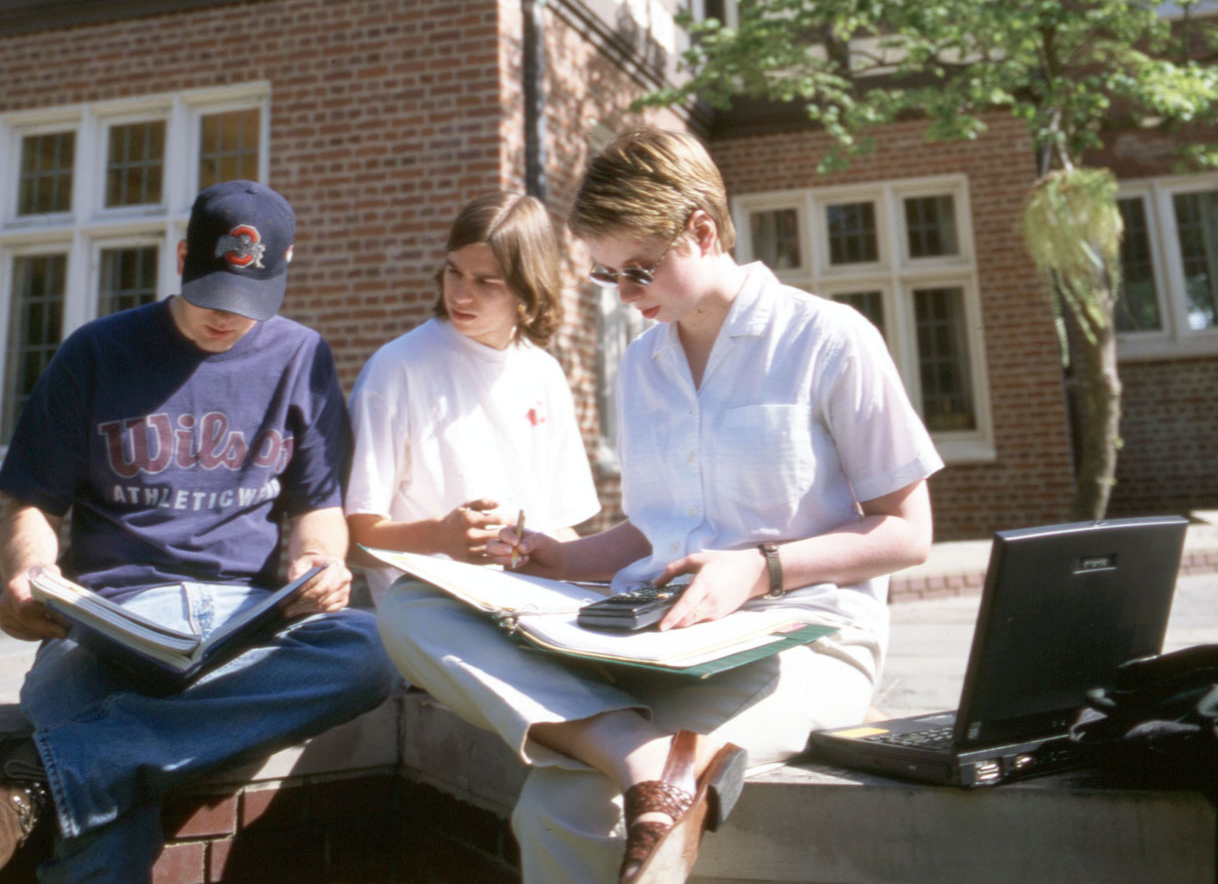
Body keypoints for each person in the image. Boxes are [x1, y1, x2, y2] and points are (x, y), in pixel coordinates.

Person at [376, 129, 943, 884]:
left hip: (800, 643)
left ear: (702, 231)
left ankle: (642, 762)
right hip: (659, 640)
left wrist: (760, 569)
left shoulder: (829, 339)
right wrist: (559, 556)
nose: (626, 296)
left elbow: (909, 532)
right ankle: (637, 752)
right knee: (415, 605)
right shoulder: (643, 363)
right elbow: (661, 524)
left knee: (562, 809)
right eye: (608, 276)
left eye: (638, 270)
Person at [0, 179, 401, 884]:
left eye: (248, 303)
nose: (227, 318)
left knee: (373, 651)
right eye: (212, 293)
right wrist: (28, 577)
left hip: (242, 621)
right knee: (98, 768)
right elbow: (31, 505)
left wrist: (319, 560)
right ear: (184, 254)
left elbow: (318, 505)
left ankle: (46, 774)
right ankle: (80, 767)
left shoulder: (301, 356)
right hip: (111, 621)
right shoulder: (94, 353)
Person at [346, 189, 600, 595]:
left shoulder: (545, 373)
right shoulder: (397, 368)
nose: (461, 294)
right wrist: (440, 538)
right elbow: (354, 537)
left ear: (527, 289)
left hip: (534, 609)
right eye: (453, 272)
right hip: (429, 614)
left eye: (486, 281)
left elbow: (562, 526)